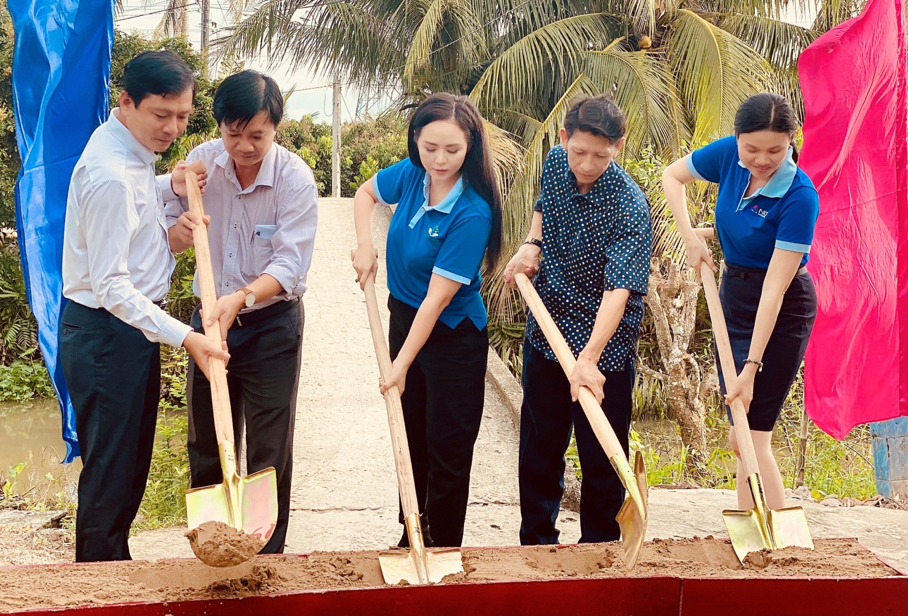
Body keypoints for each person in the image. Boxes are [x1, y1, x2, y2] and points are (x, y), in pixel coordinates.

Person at [61, 50, 228, 563]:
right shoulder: (110, 174)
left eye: (183, 116)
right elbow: (111, 286)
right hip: (106, 333)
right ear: (126, 101)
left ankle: (112, 570)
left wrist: (169, 186)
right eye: (162, 114)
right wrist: (188, 336)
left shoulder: (128, 153)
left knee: (129, 467)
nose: (173, 128)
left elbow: (137, 199)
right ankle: (99, 584)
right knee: (112, 474)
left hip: (126, 333)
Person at [165, 70, 318, 554]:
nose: (244, 146)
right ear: (220, 127)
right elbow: (166, 233)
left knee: (271, 448)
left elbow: (291, 263)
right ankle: (212, 549)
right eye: (234, 134)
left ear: (276, 126)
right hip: (209, 321)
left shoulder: (294, 178)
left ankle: (267, 555)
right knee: (206, 437)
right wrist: (180, 219)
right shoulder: (201, 166)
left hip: (271, 324)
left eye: (257, 135)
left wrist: (244, 298)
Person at [351, 93, 503, 547]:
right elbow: (365, 193)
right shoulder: (413, 173)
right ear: (416, 139)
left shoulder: (473, 211)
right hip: (403, 317)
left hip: (453, 337)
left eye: (452, 151)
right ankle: (411, 531)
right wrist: (365, 244)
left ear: (471, 147)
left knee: (447, 446)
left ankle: (443, 544)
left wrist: (399, 366)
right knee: (410, 433)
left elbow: (436, 303)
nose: (439, 160)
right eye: (430, 146)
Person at [504, 95, 651, 545]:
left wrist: (589, 360)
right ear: (565, 139)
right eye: (579, 152)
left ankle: (599, 554)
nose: (587, 164)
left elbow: (618, 291)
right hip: (546, 333)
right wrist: (533, 242)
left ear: (618, 147)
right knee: (538, 452)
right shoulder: (554, 163)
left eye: (600, 156)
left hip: (602, 348)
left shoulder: (630, 206)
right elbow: (543, 206)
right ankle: (537, 548)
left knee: (602, 458)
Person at [662, 92, 818, 512]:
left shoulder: (800, 197)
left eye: (775, 149)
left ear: (791, 139)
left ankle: (781, 542)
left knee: (753, 433)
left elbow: (774, 289)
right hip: (733, 298)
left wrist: (750, 368)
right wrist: (691, 237)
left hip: (782, 308)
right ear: (737, 139)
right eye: (751, 148)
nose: (762, 159)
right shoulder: (729, 155)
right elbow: (672, 177)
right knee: (739, 434)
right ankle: (753, 531)